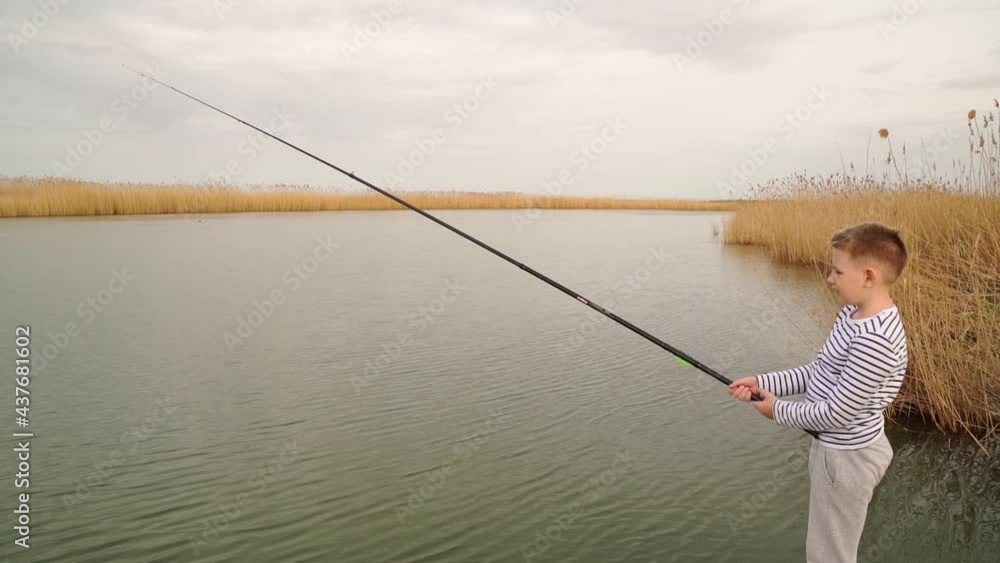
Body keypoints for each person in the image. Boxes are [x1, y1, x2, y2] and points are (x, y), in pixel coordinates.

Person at [729, 222, 909, 563]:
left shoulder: (876, 341)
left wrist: (777, 410)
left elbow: (838, 413)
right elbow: (818, 372)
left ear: (869, 277)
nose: (829, 278)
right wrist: (763, 383)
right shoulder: (851, 314)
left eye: (838, 271)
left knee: (830, 554)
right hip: (833, 447)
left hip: (850, 457)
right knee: (823, 548)